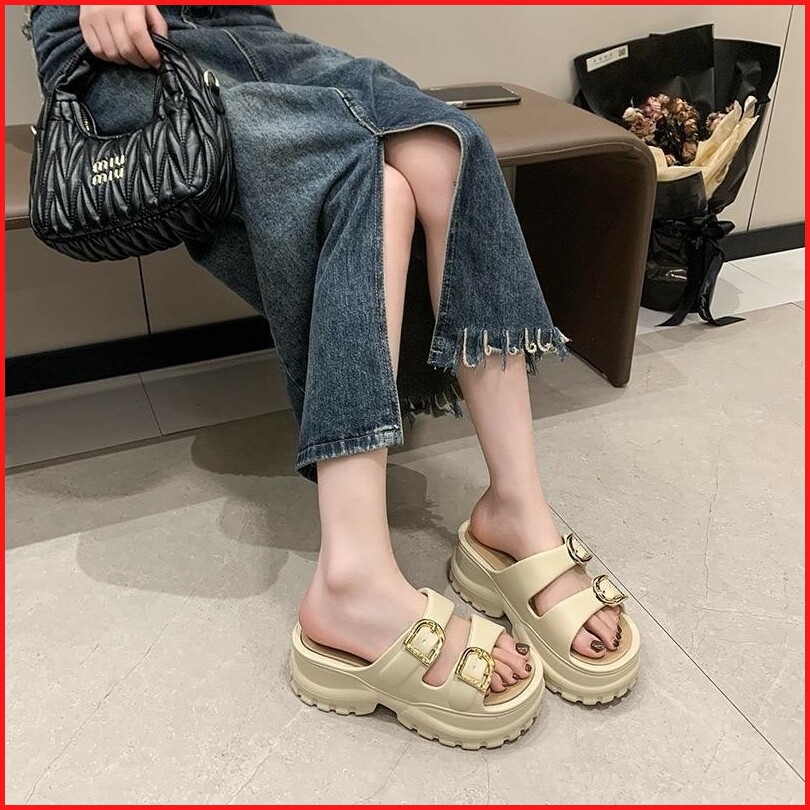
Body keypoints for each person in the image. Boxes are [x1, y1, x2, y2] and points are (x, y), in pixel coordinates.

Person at [26, 4, 640, 748]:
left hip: (240, 29)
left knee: (447, 148)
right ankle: (353, 578)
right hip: (118, 52)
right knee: (366, 182)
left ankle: (515, 508)